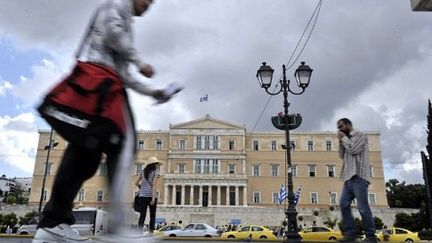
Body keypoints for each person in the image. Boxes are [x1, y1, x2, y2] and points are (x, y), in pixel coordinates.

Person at [33, 0, 167, 242]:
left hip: (105, 84)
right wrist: (140, 62)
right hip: (102, 85)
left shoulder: (124, 17)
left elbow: (125, 74)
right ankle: (116, 228)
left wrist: (153, 92)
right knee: (123, 145)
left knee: (86, 152)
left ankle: (52, 224)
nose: (149, 4)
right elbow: (113, 33)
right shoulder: (116, 7)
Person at [337, 118, 376, 243]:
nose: (340, 129)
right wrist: (340, 142)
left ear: (348, 125)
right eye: (338, 127)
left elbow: (353, 150)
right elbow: (341, 155)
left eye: (341, 126)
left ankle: (371, 236)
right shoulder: (345, 139)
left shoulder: (359, 135)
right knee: (343, 204)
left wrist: (343, 138)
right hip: (348, 177)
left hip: (359, 176)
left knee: (363, 208)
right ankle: (351, 233)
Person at [135, 157, 161, 233]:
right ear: (153, 164)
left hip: (142, 196)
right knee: (152, 216)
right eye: (156, 164)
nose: (157, 165)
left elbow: (136, 183)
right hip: (150, 196)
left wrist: (141, 187)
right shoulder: (156, 172)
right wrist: (153, 197)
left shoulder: (143, 171)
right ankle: (151, 232)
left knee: (142, 215)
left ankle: (139, 232)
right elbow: (154, 186)